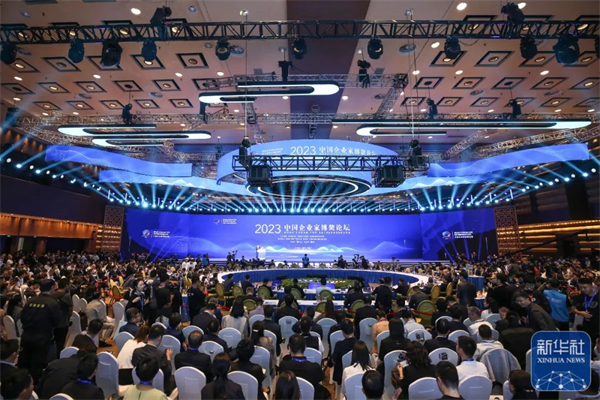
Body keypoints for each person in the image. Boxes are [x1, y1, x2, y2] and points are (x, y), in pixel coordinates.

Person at [18, 278, 61, 382]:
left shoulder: (31, 301)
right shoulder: (52, 303)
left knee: (24, 364)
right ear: (52, 288)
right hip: (42, 338)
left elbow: (22, 318)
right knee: (37, 368)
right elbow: (57, 321)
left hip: (27, 336)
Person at [280, 335, 331, 400]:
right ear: (305, 347)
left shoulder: (284, 365)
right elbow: (321, 377)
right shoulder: (315, 367)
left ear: (289, 348)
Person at [132, 324, 172, 394]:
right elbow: (167, 373)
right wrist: (168, 358)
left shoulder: (136, 352)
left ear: (147, 336)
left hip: (139, 387)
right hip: (157, 390)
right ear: (159, 338)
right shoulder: (161, 355)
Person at [572, 277, 599, 346]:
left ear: (591, 286)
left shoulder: (598, 296)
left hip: (597, 327)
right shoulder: (580, 297)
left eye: (585, 287)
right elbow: (573, 308)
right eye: (580, 287)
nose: (582, 289)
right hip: (585, 326)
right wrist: (580, 312)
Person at [331, 319, 358, 385]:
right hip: (356, 374)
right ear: (353, 328)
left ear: (342, 332)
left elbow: (333, 360)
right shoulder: (360, 344)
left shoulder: (339, 345)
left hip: (340, 375)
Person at [51, 278, 73, 358]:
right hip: (63, 322)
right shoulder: (66, 296)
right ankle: (59, 357)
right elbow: (70, 310)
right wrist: (68, 318)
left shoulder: (52, 295)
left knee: (54, 341)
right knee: (61, 342)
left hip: (53, 322)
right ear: (66, 286)